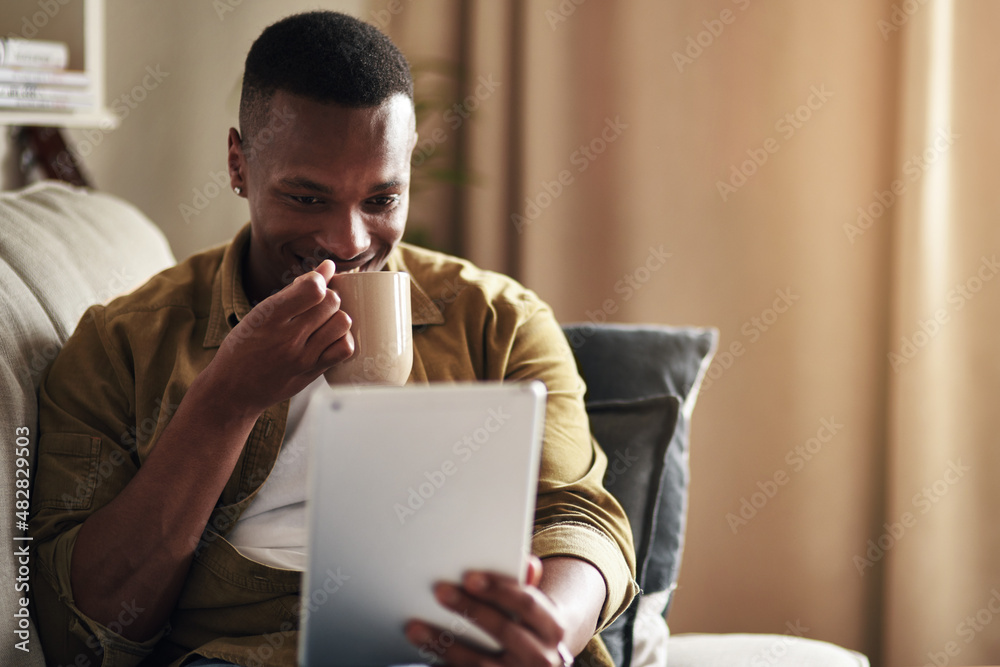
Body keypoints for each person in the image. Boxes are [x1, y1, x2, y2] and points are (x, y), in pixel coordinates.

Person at [30, 11, 637, 667]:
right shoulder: (121, 345)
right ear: (238, 165)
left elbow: (581, 518)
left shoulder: (499, 321)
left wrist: (545, 630)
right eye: (308, 197)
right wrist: (225, 399)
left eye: (381, 199)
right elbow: (83, 626)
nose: (349, 241)